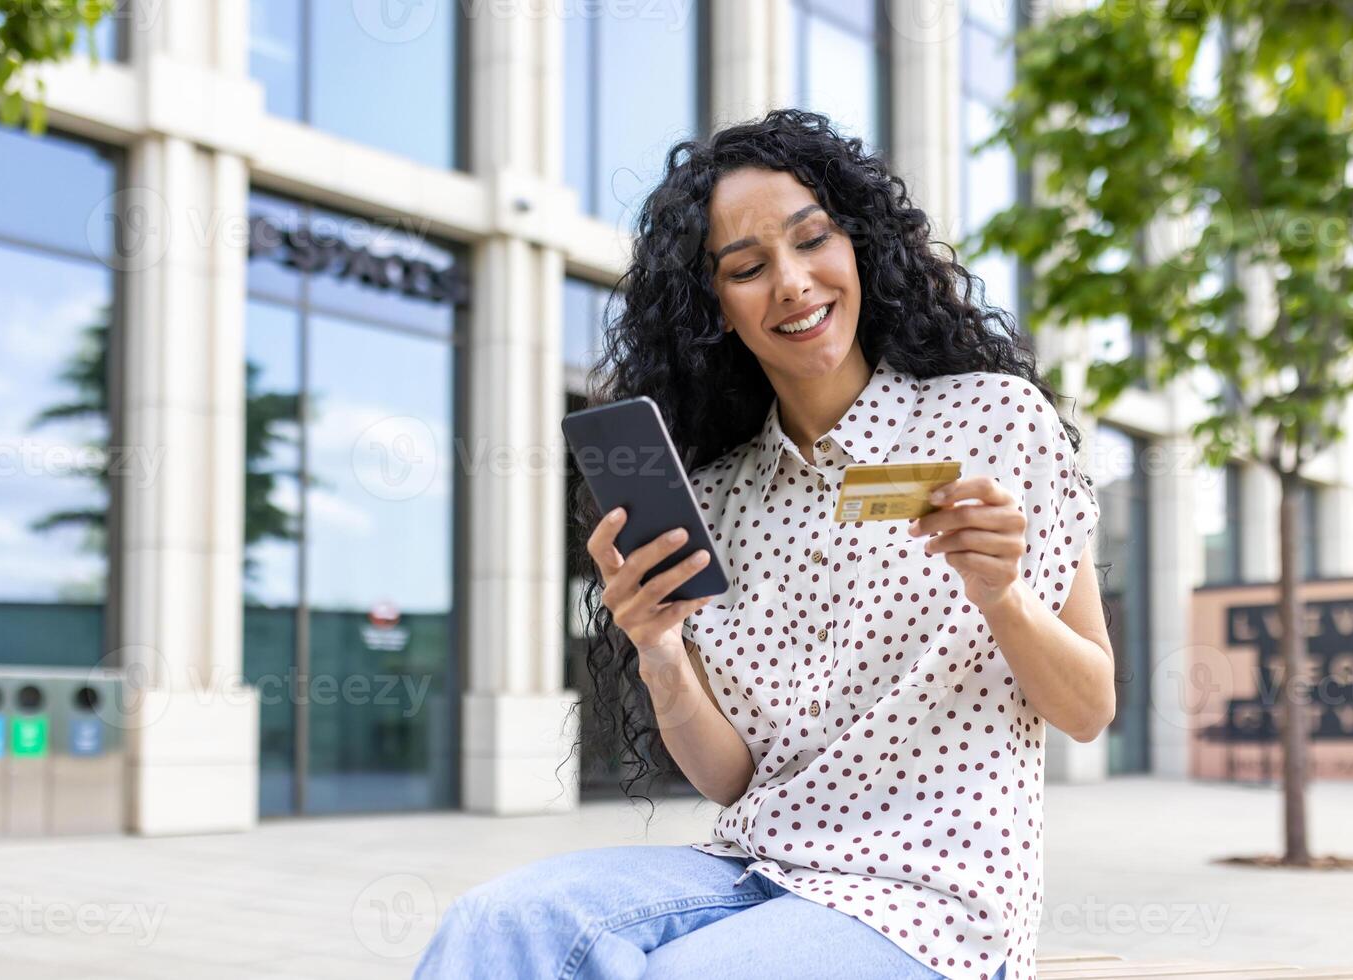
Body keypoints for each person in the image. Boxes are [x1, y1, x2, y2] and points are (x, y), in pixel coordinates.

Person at [414, 108, 1114, 980]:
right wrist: (658, 649)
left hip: (931, 899)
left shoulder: (997, 421)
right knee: (496, 923)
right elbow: (730, 778)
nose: (791, 283)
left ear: (860, 248)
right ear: (718, 309)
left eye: (812, 240)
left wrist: (1003, 596)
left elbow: (1089, 709)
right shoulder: (717, 496)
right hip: (756, 868)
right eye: (747, 268)